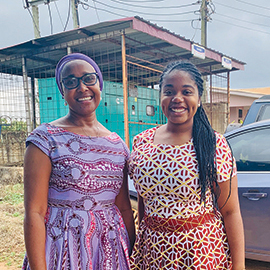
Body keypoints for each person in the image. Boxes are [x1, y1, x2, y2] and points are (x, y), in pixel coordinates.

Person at [22, 53, 135, 270]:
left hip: (108, 253)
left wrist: (129, 251)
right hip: (61, 250)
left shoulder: (117, 144)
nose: (82, 87)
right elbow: (34, 212)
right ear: (62, 92)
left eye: (88, 79)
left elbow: (123, 207)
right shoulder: (45, 139)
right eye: (71, 82)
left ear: (99, 84)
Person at [129, 60, 245, 270]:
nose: (177, 99)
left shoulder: (213, 143)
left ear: (199, 99)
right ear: (161, 97)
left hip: (200, 252)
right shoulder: (141, 142)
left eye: (186, 91)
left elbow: (231, 212)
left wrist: (239, 266)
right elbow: (145, 200)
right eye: (169, 91)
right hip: (153, 251)